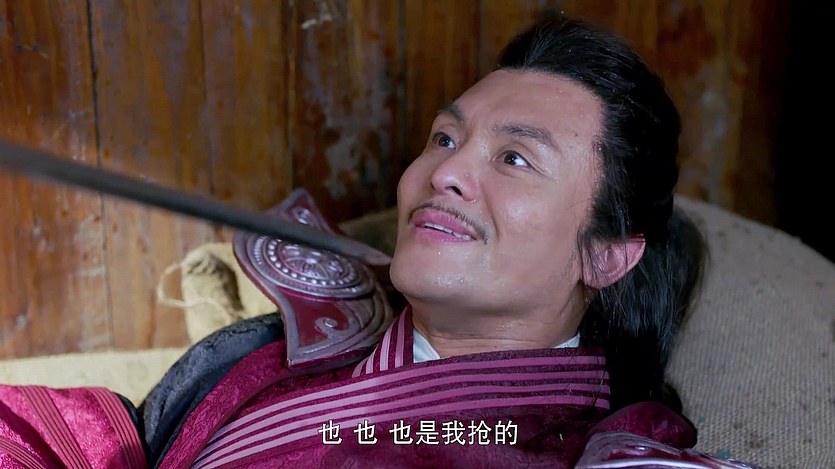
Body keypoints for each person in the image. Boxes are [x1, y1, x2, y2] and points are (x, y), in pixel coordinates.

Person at [1, 13, 764, 469]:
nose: (444, 172)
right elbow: (115, 440)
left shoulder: (596, 445)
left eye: (513, 158)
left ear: (604, 254)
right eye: (443, 138)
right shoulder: (287, 345)